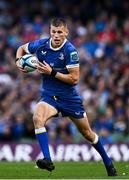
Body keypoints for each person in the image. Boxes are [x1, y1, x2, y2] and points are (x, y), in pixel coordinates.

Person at [15, 18, 117, 176]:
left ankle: (108, 163)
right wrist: (18, 61)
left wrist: (52, 72)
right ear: (50, 32)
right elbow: (22, 48)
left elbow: (74, 79)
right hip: (49, 97)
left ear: (66, 32)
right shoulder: (42, 45)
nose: (56, 35)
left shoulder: (70, 51)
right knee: (37, 117)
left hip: (69, 100)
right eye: (53, 32)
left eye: (59, 32)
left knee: (87, 134)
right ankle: (47, 160)